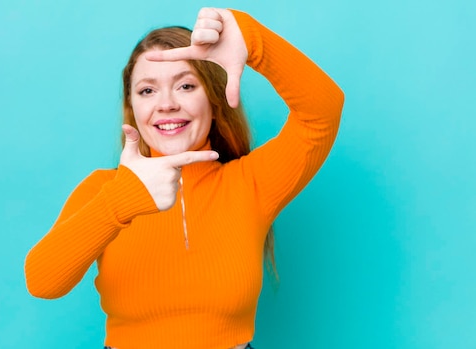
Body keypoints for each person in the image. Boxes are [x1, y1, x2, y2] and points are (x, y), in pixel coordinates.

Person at [24, 7, 344, 349]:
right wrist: (121, 201)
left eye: (186, 85)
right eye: (147, 91)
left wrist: (253, 41)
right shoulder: (104, 190)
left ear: (214, 98)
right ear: (133, 108)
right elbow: (43, 282)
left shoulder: (252, 183)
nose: (166, 104)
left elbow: (322, 113)